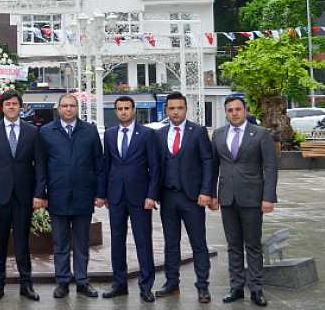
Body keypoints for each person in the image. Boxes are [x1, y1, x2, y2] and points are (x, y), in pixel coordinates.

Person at [0, 90, 45, 302]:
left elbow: (40, 166)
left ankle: (26, 285)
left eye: (14, 104)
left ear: (21, 107)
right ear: (2, 107)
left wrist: (38, 193)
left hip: (23, 197)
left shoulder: (32, 132)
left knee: (22, 243)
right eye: (7, 104)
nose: (11, 107)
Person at [38, 94, 105, 299]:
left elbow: (99, 165)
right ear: (58, 109)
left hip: (83, 196)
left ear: (77, 108)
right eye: (64, 106)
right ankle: (63, 281)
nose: (68, 109)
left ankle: (83, 281)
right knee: (60, 243)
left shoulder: (90, 131)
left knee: (82, 242)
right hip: (57, 196)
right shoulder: (46, 132)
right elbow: (41, 166)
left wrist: (100, 193)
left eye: (72, 106)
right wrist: (41, 194)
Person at [212, 96, 277, 307]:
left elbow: (270, 168)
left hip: (252, 198)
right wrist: (212, 194)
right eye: (230, 110)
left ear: (245, 110)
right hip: (227, 198)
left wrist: (268, 197)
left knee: (253, 246)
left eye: (237, 109)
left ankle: (256, 289)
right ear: (226, 112)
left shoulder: (260, 134)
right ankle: (237, 287)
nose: (234, 113)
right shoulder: (219, 134)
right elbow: (214, 167)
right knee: (233, 246)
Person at [154, 92, 214, 303]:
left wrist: (207, 191)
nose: (176, 112)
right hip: (168, 197)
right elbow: (155, 167)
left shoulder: (197, 132)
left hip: (192, 198)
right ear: (166, 110)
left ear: (185, 109)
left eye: (179, 108)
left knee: (198, 243)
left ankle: (203, 286)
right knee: (171, 243)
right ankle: (172, 283)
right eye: (171, 108)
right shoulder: (159, 134)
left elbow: (208, 162)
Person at [99, 95, 160, 303]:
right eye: (120, 108)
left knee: (143, 241)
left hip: (140, 197)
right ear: (115, 111)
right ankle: (119, 284)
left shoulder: (147, 134)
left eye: (127, 108)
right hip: (116, 196)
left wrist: (152, 195)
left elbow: (155, 168)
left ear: (134, 110)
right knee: (117, 242)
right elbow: (106, 166)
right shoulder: (109, 134)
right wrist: (104, 193)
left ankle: (146, 287)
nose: (123, 111)